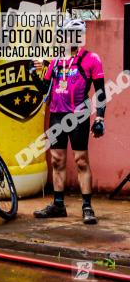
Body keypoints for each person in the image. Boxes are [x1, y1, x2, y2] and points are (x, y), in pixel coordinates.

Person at [33, 19, 106, 225]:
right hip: (57, 115)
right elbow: (43, 89)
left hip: (79, 116)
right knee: (57, 161)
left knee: (81, 160)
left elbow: (100, 92)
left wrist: (100, 117)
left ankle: (87, 206)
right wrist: (33, 74)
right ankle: (58, 205)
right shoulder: (55, 61)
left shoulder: (91, 59)